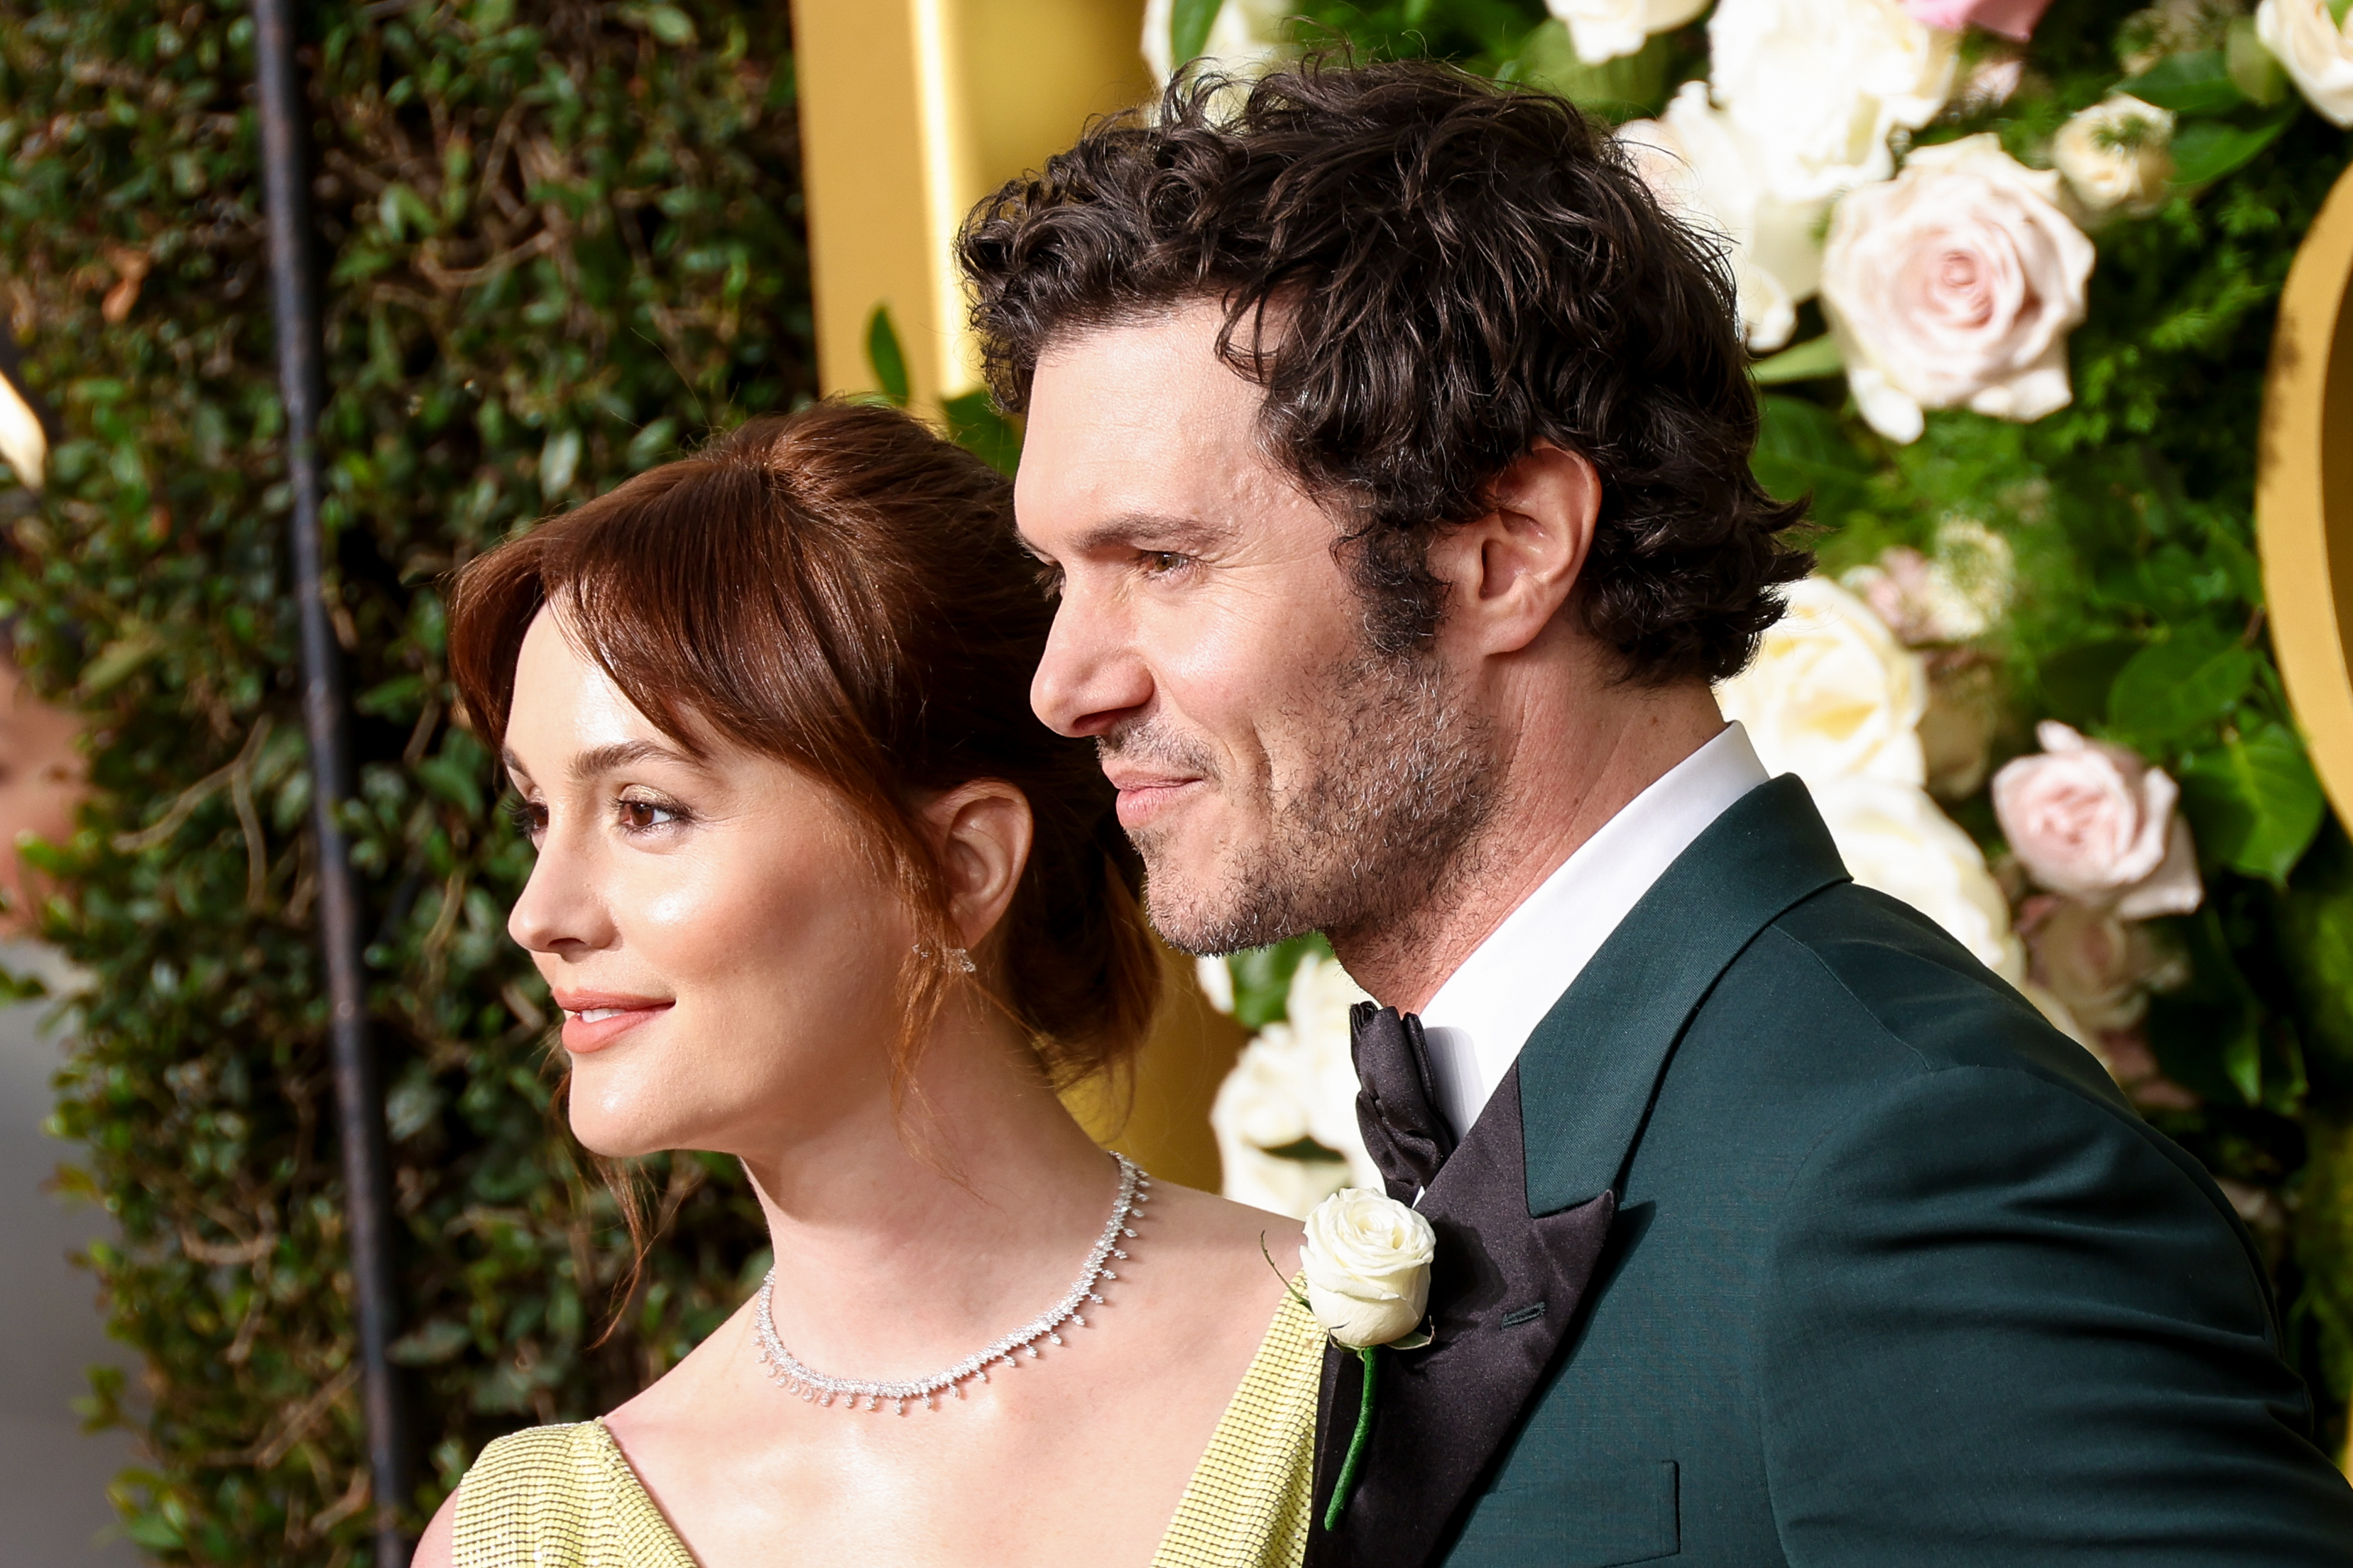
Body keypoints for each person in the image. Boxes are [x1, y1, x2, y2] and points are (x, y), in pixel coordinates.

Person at [963, 58, 2353, 1567]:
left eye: (1158, 561)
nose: (1064, 683)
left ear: (1506, 549)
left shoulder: (1915, 1173)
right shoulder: (1546, 1115)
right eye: (1060, 580)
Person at [413, 403, 1319, 1568]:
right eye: (538, 815)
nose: (538, 914)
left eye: (645, 810)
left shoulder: (1371, 1370)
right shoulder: (531, 1543)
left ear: (958, 866)